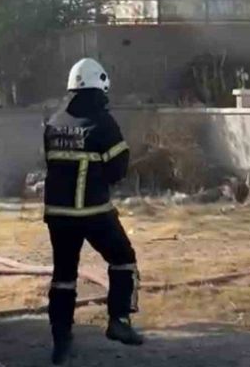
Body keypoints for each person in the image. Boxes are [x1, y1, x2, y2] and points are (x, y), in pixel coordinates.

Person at [43, 58, 143, 365]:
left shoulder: (54, 121)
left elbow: (52, 164)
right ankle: (119, 322)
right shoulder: (102, 121)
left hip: (58, 214)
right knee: (123, 259)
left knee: (63, 277)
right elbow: (118, 169)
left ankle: (61, 342)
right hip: (94, 212)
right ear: (100, 85)